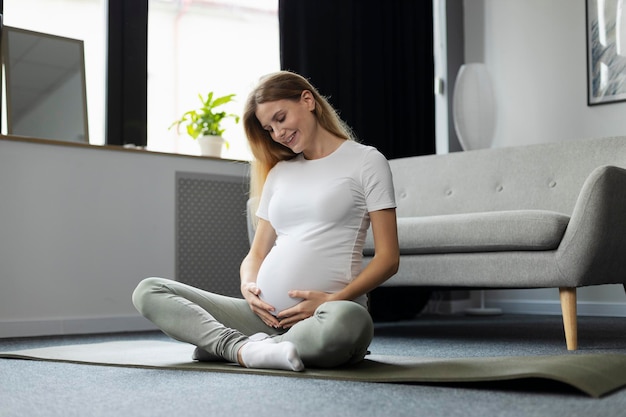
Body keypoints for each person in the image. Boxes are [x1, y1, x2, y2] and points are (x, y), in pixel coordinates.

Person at [132, 70, 399, 372]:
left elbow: (388, 259)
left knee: (349, 324)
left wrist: (330, 300)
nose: (278, 133)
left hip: (325, 316)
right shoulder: (279, 173)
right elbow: (256, 254)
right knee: (149, 290)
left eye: (281, 118)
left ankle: (233, 346)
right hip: (262, 316)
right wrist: (248, 284)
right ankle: (243, 348)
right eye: (269, 129)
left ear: (307, 100)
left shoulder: (366, 161)